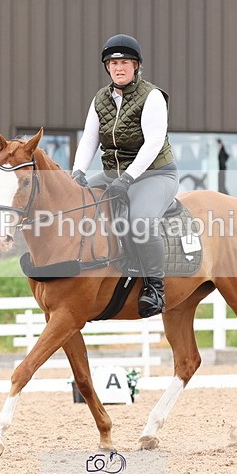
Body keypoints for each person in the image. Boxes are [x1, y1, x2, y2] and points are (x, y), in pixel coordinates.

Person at [71, 34, 178, 318]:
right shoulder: (100, 99)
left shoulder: (152, 96)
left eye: (125, 63)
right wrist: (78, 172)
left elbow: (153, 142)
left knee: (140, 220)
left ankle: (155, 288)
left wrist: (128, 178)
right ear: (107, 67)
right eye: (114, 63)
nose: (119, 68)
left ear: (136, 66)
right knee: (75, 204)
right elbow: (89, 140)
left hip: (154, 174)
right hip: (112, 174)